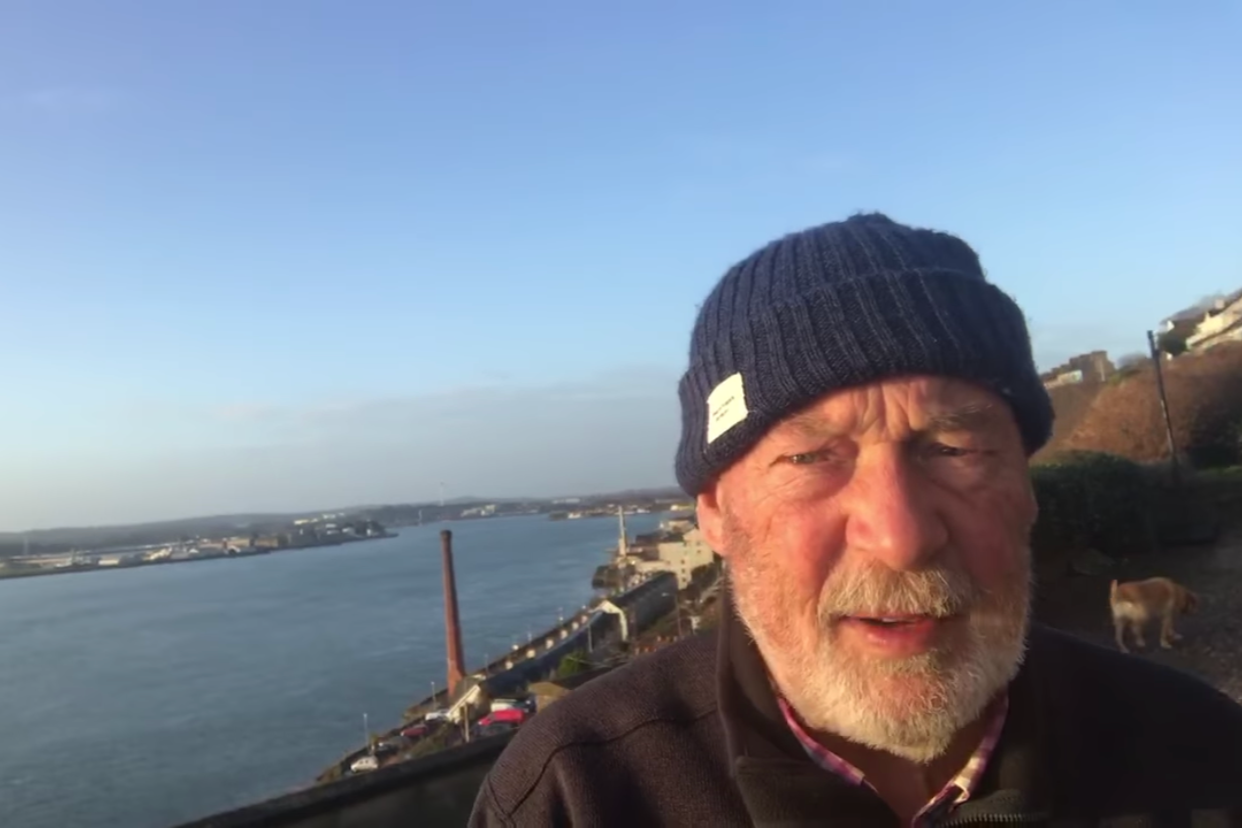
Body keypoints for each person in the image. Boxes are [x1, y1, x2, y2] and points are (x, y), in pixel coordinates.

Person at [468, 213, 1242, 827]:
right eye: (810, 460)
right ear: (715, 510)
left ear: (1026, 485)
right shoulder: (577, 795)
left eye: (953, 447)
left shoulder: (1206, 759)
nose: (901, 536)